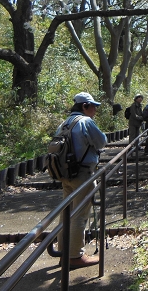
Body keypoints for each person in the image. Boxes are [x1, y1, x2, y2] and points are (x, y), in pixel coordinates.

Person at [56, 92, 107, 268]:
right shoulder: (86, 122)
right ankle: (76, 256)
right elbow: (101, 141)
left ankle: (64, 252)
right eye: (93, 106)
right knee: (79, 215)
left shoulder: (64, 123)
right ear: (84, 106)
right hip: (83, 174)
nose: (95, 109)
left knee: (66, 214)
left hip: (65, 174)